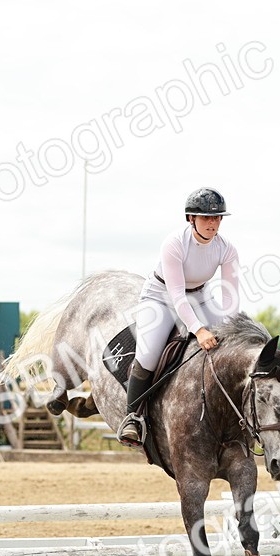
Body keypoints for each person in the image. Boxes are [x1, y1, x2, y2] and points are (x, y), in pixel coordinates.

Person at [118, 187, 241, 447]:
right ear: (191, 218)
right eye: (205, 217)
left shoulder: (226, 248)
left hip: (200, 296)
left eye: (217, 217)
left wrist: (232, 329)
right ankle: (133, 417)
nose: (212, 223)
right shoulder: (174, 243)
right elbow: (176, 296)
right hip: (161, 298)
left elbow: (230, 296)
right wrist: (199, 329)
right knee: (149, 355)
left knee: (229, 346)